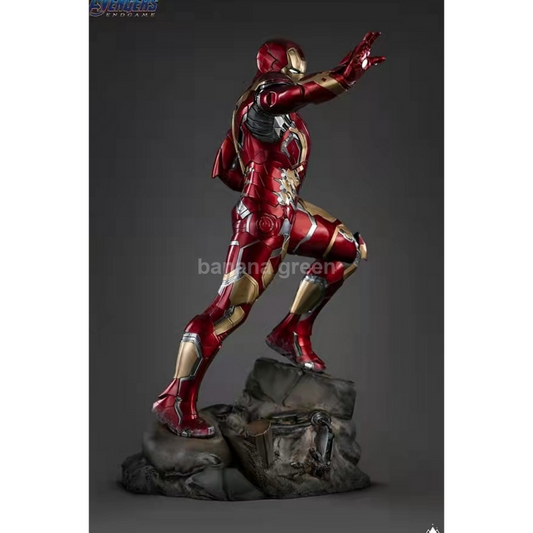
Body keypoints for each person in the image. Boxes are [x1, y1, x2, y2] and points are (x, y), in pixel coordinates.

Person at [153, 33, 385, 437]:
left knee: (349, 250)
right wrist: (346, 76)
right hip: (263, 220)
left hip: (285, 213)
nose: (294, 78)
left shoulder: (267, 111)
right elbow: (294, 96)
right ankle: (174, 399)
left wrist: (260, 184)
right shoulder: (262, 101)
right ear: (278, 68)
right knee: (228, 310)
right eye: (291, 71)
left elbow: (226, 168)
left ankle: (291, 330)